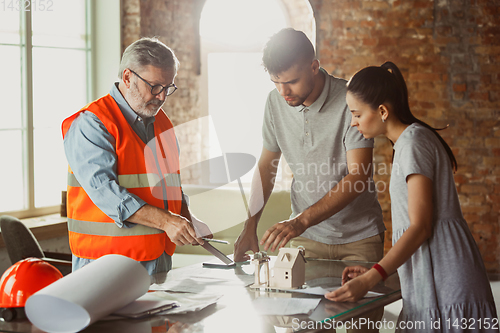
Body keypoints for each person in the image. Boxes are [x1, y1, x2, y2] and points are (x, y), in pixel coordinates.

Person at [326, 61, 498, 332]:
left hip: (447, 275)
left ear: (382, 111)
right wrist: (381, 270)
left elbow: (420, 226)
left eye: (357, 114)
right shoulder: (409, 142)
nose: (353, 122)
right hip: (432, 273)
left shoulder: (414, 143)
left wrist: (373, 277)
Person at [233, 28, 386, 332]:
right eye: (276, 82)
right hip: (305, 241)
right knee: (301, 326)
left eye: (291, 81)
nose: (283, 91)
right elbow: (267, 166)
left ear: (314, 66)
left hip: (359, 239)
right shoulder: (274, 104)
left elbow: (358, 174)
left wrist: (300, 221)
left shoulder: (349, 101)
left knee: (362, 328)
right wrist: (251, 225)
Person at [62, 37, 212, 275]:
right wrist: (166, 221)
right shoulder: (92, 124)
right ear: (128, 77)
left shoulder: (163, 124)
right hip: (106, 265)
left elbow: (169, 186)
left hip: (158, 259)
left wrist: (186, 216)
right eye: (154, 87)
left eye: (167, 88)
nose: (162, 97)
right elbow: (107, 193)